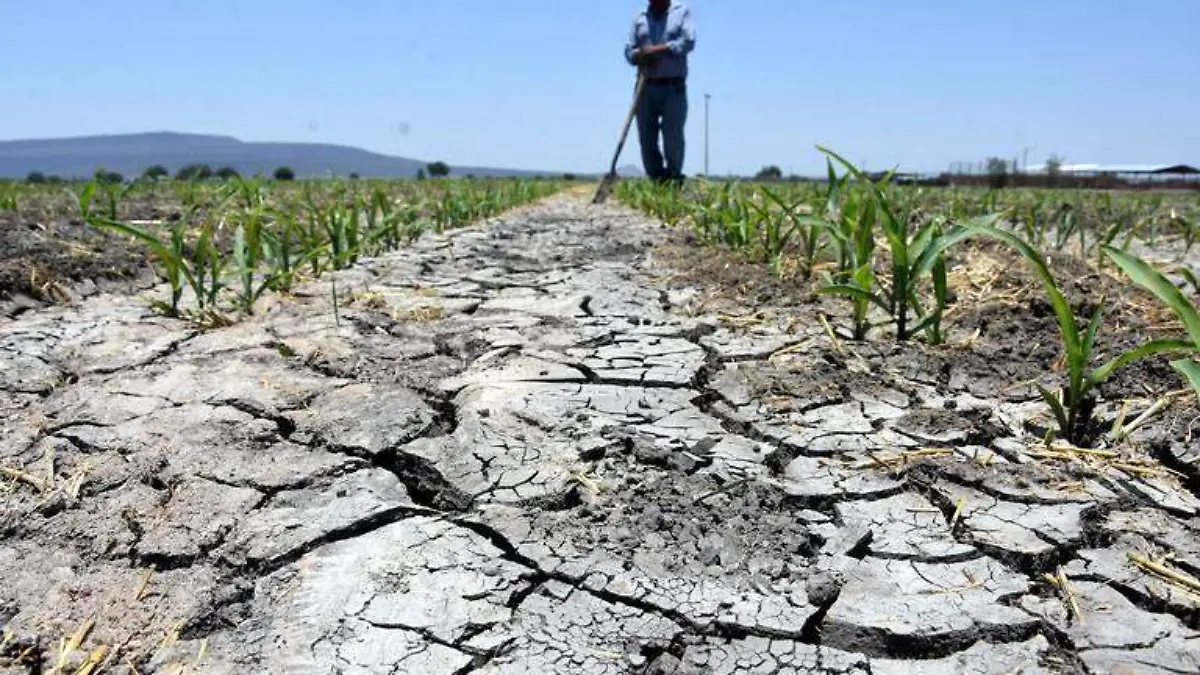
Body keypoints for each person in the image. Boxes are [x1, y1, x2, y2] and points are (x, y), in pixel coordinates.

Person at [624, 0, 696, 186]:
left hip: (673, 87)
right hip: (645, 87)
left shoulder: (681, 12)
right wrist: (640, 55)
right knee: (647, 139)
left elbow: (688, 41)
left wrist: (659, 50)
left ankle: (674, 178)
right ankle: (658, 180)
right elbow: (628, 51)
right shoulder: (639, 18)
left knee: (673, 136)